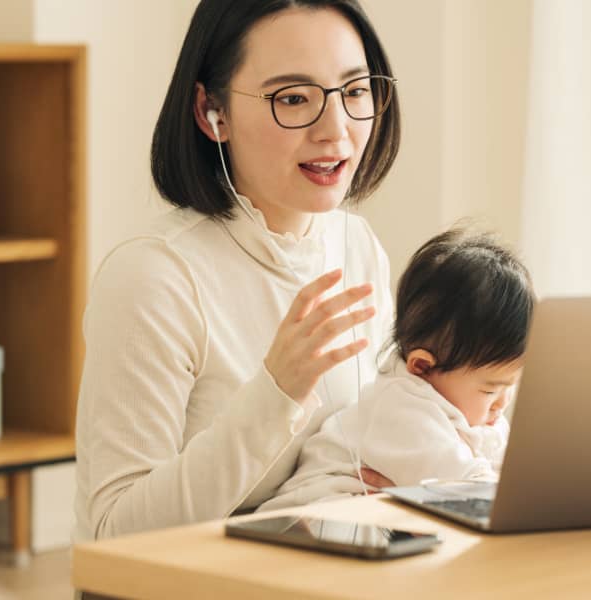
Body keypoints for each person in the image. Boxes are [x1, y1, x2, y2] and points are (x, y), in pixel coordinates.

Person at [73, 0, 401, 541]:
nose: (335, 129)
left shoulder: (356, 245)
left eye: (354, 91)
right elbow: (117, 533)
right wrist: (277, 392)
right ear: (212, 113)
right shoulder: (153, 277)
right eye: (293, 98)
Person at [259, 227, 535, 511]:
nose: (502, 403)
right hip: (309, 514)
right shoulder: (401, 408)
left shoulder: (479, 417)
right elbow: (467, 490)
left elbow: (507, 478)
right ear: (422, 367)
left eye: (510, 385)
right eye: (490, 389)